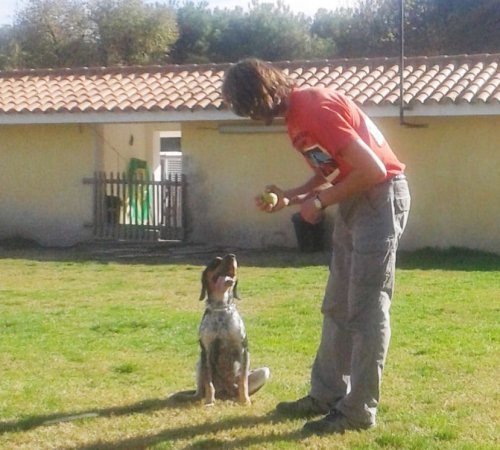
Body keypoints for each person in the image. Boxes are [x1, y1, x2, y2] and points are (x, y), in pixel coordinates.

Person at [221, 58, 411, 435]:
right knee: (337, 304)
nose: (248, 114)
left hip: (380, 198)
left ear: (259, 94)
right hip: (357, 200)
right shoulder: (298, 116)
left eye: (245, 105)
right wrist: (290, 197)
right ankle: (326, 395)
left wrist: (321, 203)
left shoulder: (314, 108)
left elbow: (372, 169)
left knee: (367, 308)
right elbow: (335, 169)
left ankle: (357, 412)